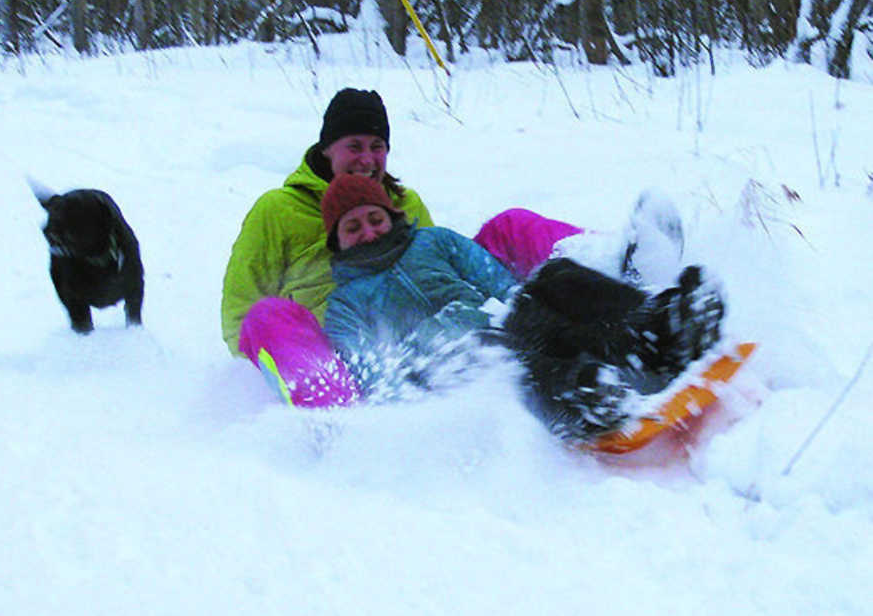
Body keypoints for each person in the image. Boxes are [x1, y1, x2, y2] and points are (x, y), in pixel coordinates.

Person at [221, 87, 588, 407]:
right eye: (354, 146)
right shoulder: (278, 209)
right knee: (264, 316)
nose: (367, 159)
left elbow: (430, 273)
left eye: (377, 147)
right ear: (326, 149)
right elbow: (239, 312)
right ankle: (336, 414)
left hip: (436, 339)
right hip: (343, 357)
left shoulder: (404, 201)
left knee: (512, 225)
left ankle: (605, 282)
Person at [321, 174, 725, 440]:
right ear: (337, 243)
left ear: (390, 216)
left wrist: (522, 306)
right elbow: (369, 368)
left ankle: (658, 330)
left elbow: (498, 282)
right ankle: (584, 397)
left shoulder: (434, 242)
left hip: (498, 324)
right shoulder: (344, 304)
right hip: (447, 369)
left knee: (555, 279)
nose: (368, 232)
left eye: (374, 218)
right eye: (352, 228)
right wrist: (435, 342)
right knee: (509, 359)